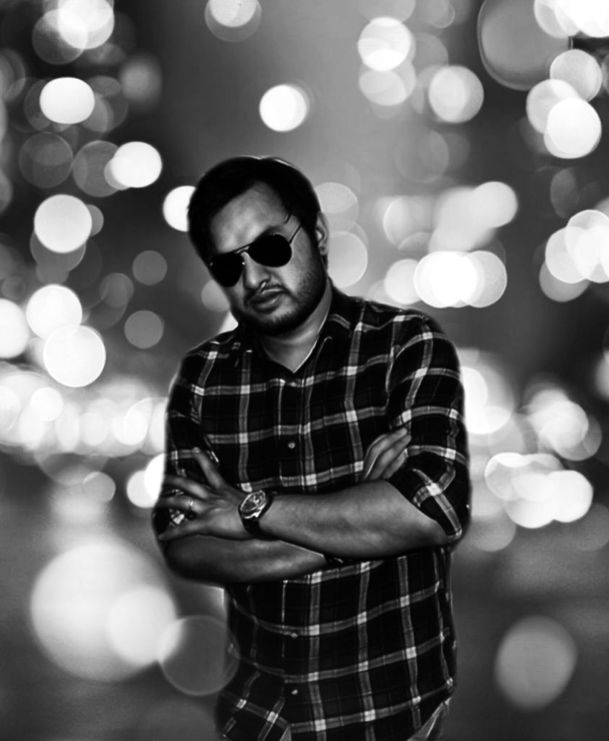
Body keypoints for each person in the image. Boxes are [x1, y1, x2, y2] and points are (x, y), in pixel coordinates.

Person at [152, 156, 470, 740]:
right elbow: (185, 544)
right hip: (259, 718)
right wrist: (354, 522)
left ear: (317, 235)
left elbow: (433, 512)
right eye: (229, 264)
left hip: (389, 718)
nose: (254, 278)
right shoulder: (203, 378)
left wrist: (251, 512)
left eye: (269, 247)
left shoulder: (405, 346)